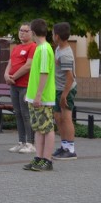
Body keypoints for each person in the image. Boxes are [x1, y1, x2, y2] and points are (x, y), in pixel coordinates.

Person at [23, 18, 57, 172]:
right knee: (38, 128)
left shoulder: (44, 49)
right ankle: (39, 157)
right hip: (36, 96)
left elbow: (44, 73)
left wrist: (38, 95)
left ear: (34, 32)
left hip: (42, 97)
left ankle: (47, 159)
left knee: (47, 128)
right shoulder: (40, 48)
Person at [5, 22, 36, 154]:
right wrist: (6, 75)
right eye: (21, 30)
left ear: (32, 33)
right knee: (17, 113)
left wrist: (13, 77)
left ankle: (30, 142)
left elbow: (28, 65)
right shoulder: (17, 47)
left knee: (26, 114)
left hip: (25, 85)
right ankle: (21, 141)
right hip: (14, 85)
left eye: (26, 31)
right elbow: (10, 63)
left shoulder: (33, 47)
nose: (22, 33)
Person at [52, 22, 78, 161]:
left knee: (66, 118)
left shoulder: (66, 54)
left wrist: (65, 95)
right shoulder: (58, 49)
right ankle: (64, 146)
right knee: (58, 118)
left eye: (52, 33)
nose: (52, 36)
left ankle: (71, 149)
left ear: (57, 36)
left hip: (66, 89)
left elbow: (70, 77)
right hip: (57, 88)